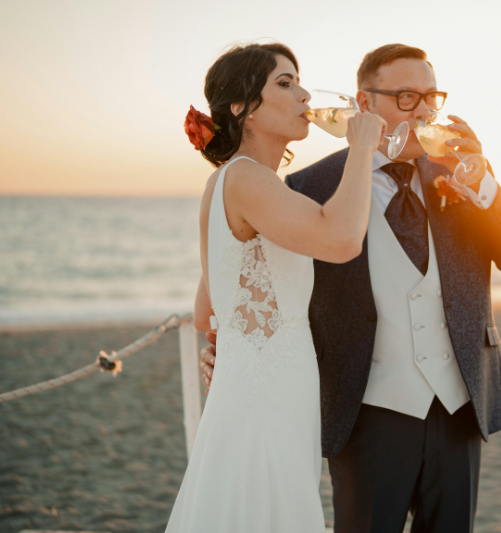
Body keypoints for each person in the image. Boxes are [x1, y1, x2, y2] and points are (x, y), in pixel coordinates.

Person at [200, 43, 501, 532]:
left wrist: (484, 184)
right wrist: (229, 347)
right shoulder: (303, 188)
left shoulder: (461, 175)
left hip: (459, 407)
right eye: (406, 96)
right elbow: (237, 282)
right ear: (363, 105)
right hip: (364, 415)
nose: (424, 109)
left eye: (432, 96)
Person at [165, 42, 386, 532]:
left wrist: (238, 345)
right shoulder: (246, 178)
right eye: (285, 83)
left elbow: (208, 311)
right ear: (242, 107)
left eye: (299, 81)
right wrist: (363, 146)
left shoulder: (238, 182)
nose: (305, 95)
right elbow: (342, 236)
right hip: (267, 399)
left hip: (262, 388)